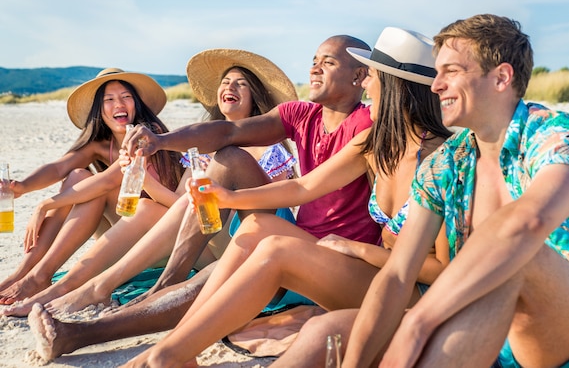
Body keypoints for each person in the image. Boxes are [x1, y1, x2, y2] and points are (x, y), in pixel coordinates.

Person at [28, 33, 380, 361]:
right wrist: (160, 141)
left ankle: (88, 331)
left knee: (218, 276)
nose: (314, 68)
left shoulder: (368, 126)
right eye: (314, 60)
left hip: (335, 255)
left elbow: (302, 189)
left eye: (328, 62)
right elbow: (228, 131)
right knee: (227, 163)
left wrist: (227, 198)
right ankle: (92, 324)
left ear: (359, 77)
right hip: (299, 235)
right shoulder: (302, 114)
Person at [118, 27, 453, 367]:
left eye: (374, 77)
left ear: (397, 87)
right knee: (260, 227)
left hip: (413, 290)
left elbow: (443, 270)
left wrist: (356, 249)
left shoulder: (439, 163)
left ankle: (168, 354)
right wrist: (227, 197)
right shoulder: (376, 142)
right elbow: (302, 188)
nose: (367, 85)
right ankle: (178, 348)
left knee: (276, 249)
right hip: (376, 274)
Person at [325, 14, 569, 367]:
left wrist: (418, 325)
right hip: (485, 330)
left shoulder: (557, 138)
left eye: (450, 71)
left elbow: (527, 222)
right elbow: (397, 274)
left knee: (516, 256)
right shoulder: (445, 164)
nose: (436, 86)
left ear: (501, 77)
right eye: (437, 73)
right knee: (325, 332)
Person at [1, 50, 298, 317]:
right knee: (126, 196)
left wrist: (213, 195)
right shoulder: (197, 149)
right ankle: (55, 280)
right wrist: (23, 187)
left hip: (238, 242)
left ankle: (79, 286)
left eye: (240, 83)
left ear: (255, 96)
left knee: (145, 206)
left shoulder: (269, 149)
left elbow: (275, 209)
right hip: (199, 239)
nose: (229, 88)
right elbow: (179, 203)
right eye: (225, 82)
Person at [0, 68, 183, 305]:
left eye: (126, 97)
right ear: (100, 110)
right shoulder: (99, 145)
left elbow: (109, 180)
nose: (119, 103)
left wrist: (45, 204)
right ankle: (27, 271)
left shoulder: (148, 135)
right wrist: (22, 187)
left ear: (136, 104)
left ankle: (41, 275)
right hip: (122, 230)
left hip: (158, 236)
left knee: (99, 185)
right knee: (77, 175)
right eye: (109, 99)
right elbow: (58, 168)